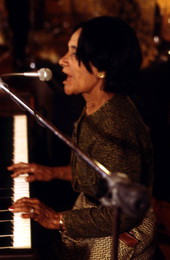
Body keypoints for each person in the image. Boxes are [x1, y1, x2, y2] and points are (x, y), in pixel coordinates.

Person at [8, 16, 156, 259]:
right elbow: (99, 171)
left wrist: (56, 219)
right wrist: (52, 172)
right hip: (94, 211)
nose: (61, 61)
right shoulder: (99, 103)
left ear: (101, 67)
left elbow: (125, 213)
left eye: (74, 53)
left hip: (119, 234)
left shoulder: (114, 128)